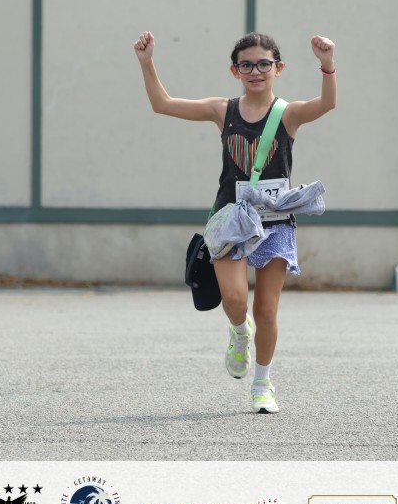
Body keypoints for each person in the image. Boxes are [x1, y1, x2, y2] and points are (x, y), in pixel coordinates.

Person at [134, 30, 337, 413]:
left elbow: (327, 104)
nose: (255, 71)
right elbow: (163, 104)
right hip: (230, 219)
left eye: (264, 64)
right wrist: (147, 62)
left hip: (275, 222)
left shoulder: (288, 114)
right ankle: (240, 333)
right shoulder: (222, 110)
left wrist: (327, 65)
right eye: (247, 65)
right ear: (235, 71)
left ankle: (263, 384)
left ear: (278, 68)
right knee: (234, 299)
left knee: (267, 310)